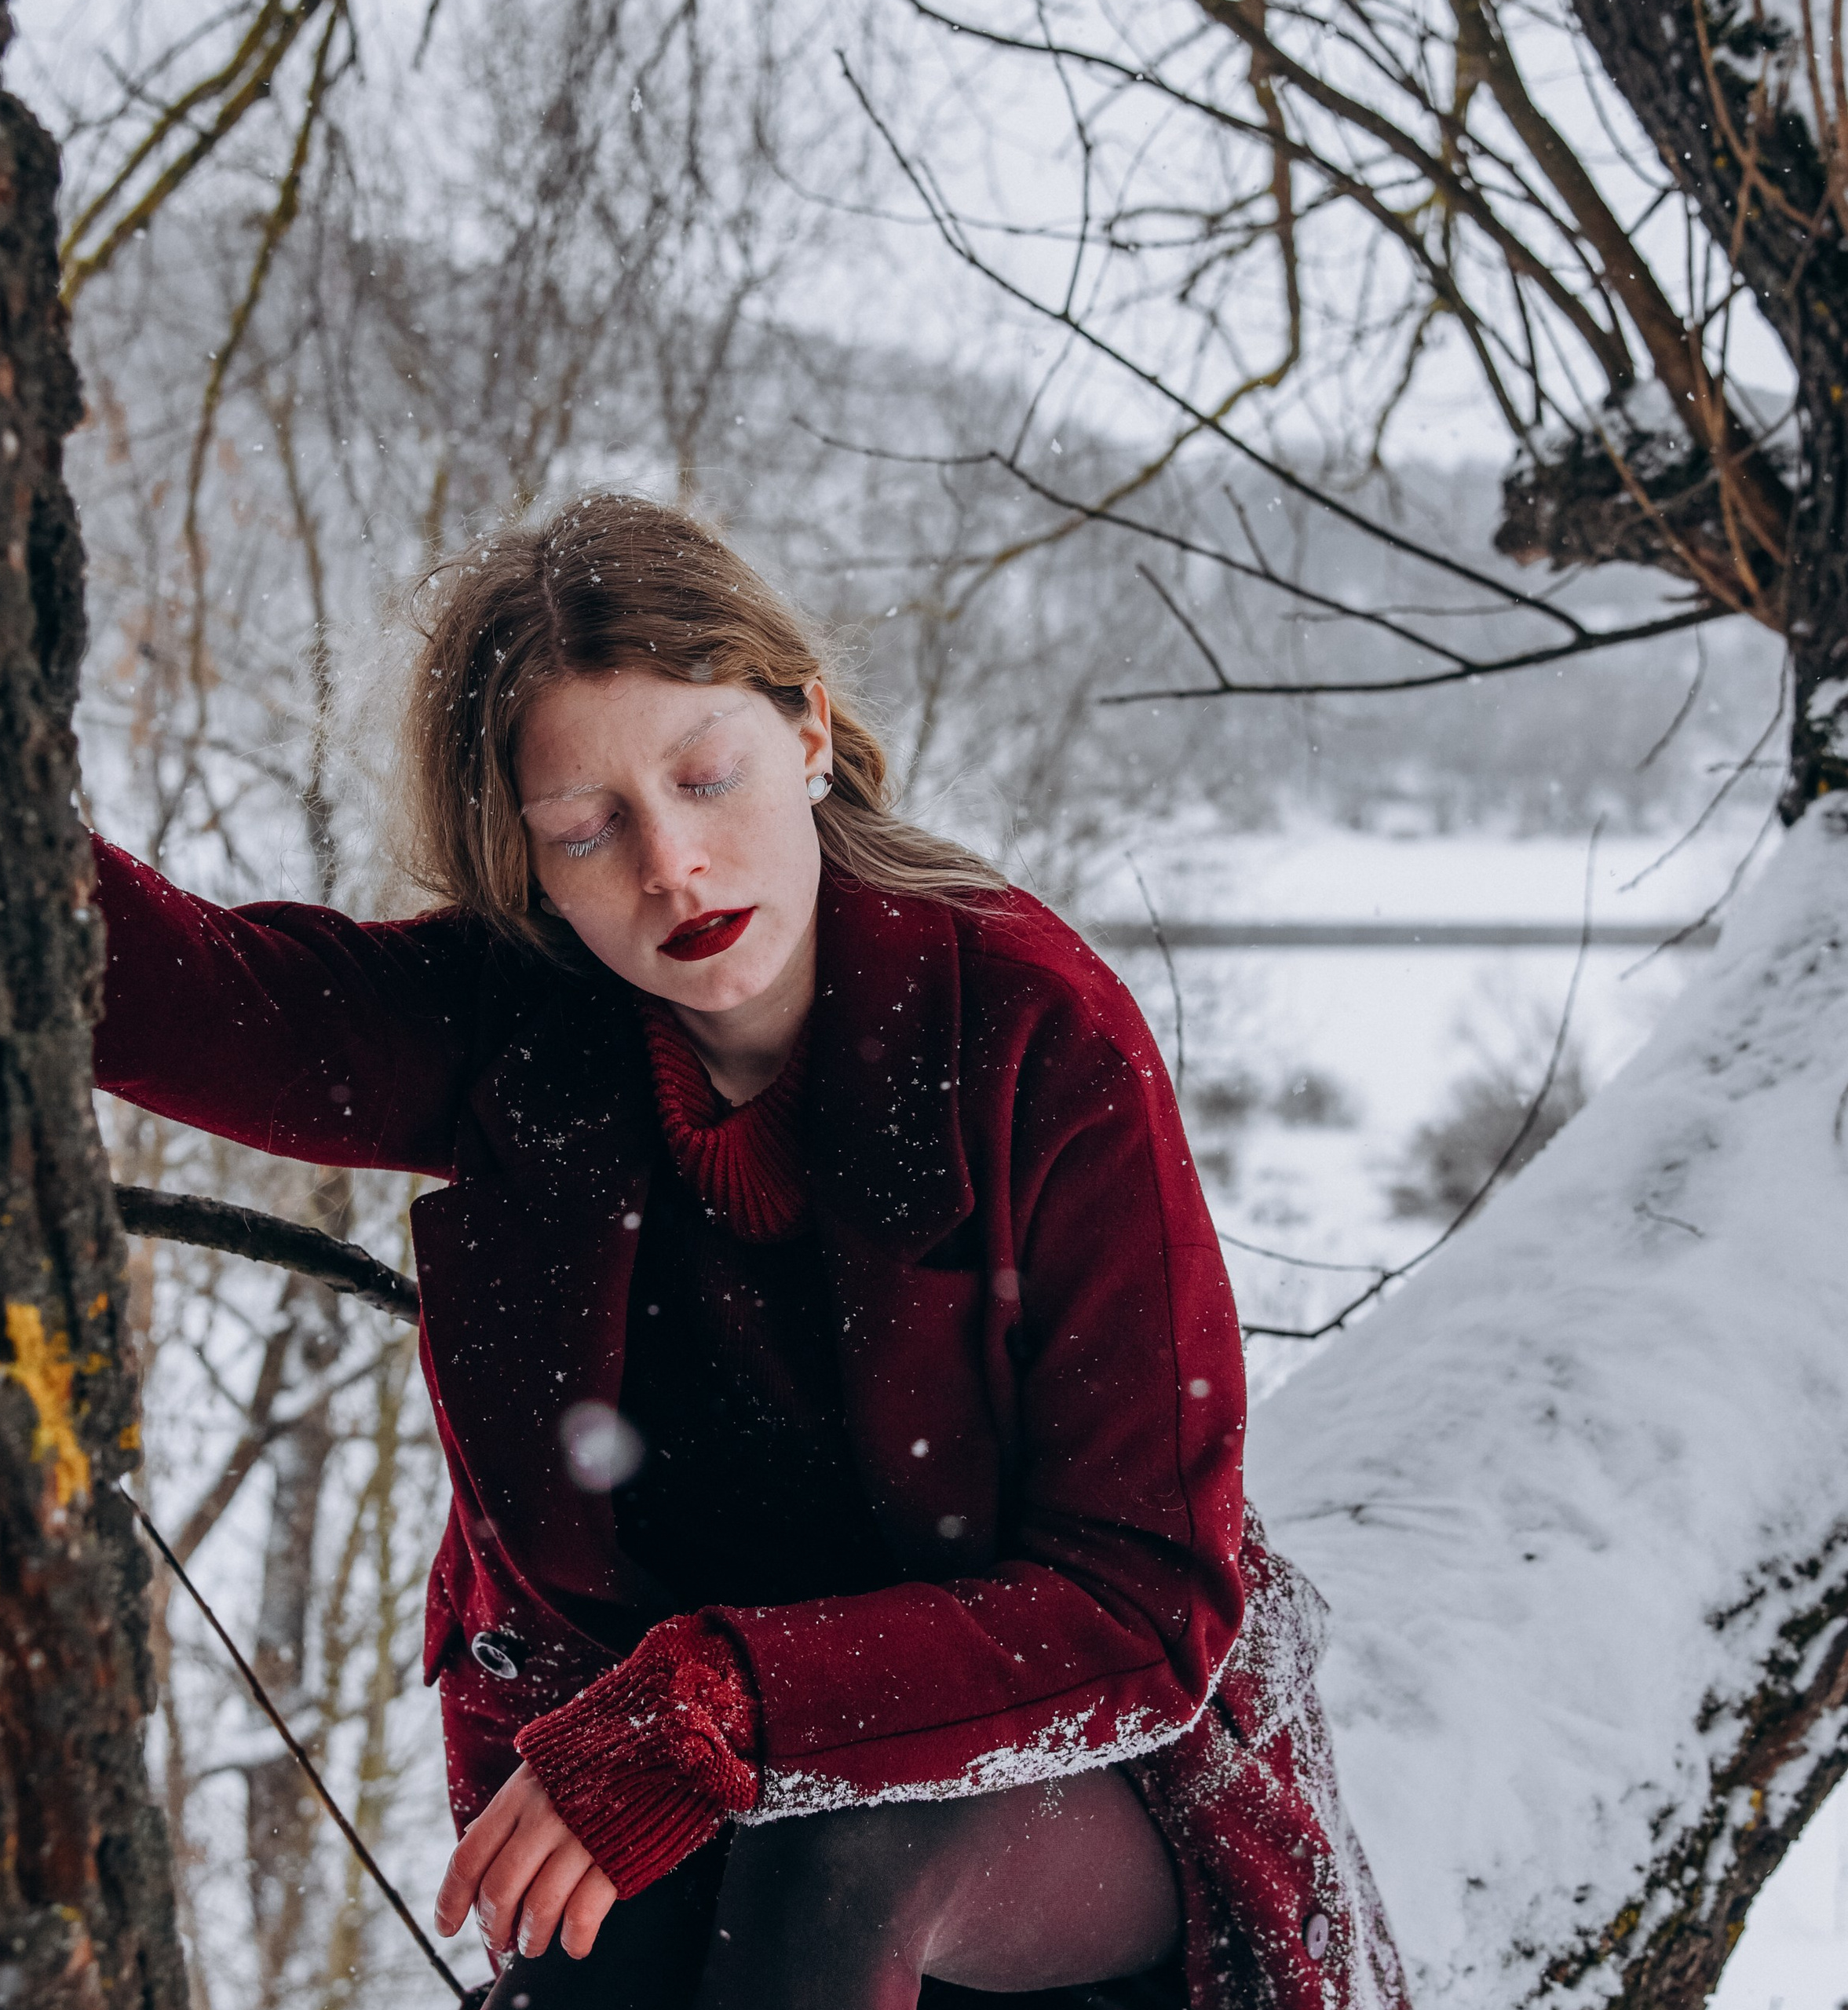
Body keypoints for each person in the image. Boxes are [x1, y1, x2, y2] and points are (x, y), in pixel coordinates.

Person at [89, 492, 1408, 2009]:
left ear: (809, 733)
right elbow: (178, 992)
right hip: (646, 1778)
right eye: (587, 828)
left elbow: (1147, 1600)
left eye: (707, 776)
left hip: (1057, 1796)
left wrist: (727, 1700)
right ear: (525, 869)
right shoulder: (521, 1023)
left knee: (834, 1853)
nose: (672, 865)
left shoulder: (1034, 1034)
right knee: (614, 1941)